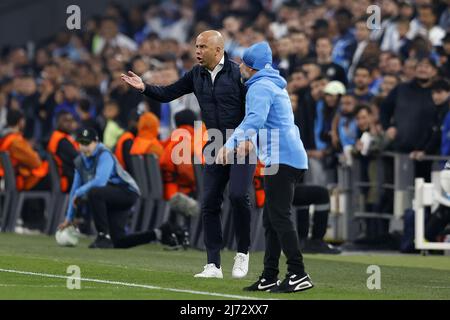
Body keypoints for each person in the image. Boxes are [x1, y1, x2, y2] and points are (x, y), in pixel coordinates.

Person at [121, 30, 254, 279]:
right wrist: (144, 88)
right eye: (196, 46)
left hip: (241, 143)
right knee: (209, 202)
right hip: (214, 144)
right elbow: (169, 92)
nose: (197, 52)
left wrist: (248, 139)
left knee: (238, 196)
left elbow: (254, 110)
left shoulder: (238, 74)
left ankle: (242, 253)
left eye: (203, 47)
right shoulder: (196, 74)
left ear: (218, 50)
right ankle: (213, 264)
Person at [218, 41, 313, 293]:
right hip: (287, 157)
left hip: (281, 159)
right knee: (272, 219)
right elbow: (269, 124)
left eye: (242, 64)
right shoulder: (272, 84)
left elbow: (255, 119)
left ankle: (298, 272)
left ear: (249, 66)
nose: (240, 68)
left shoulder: (259, 87)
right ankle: (270, 275)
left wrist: (230, 144)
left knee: (279, 217)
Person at [57, 128, 179, 249]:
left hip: (126, 191)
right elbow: (74, 189)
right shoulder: (80, 161)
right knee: (119, 241)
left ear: (96, 142)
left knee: (94, 193)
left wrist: (79, 192)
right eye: (81, 143)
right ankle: (160, 233)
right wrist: (69, 218)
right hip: (110, 194)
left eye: (87, 143)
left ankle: (103, 236)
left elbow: (100, 181)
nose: (84, 147)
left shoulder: (104, 154)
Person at [47, 111, 79, 193]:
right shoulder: (62, 141)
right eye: (65, 121)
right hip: (67, 179)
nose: (69, 123)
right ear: (57, 122)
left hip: (65, 177)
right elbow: (77, 159)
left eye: (71, 121)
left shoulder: (58, 136)